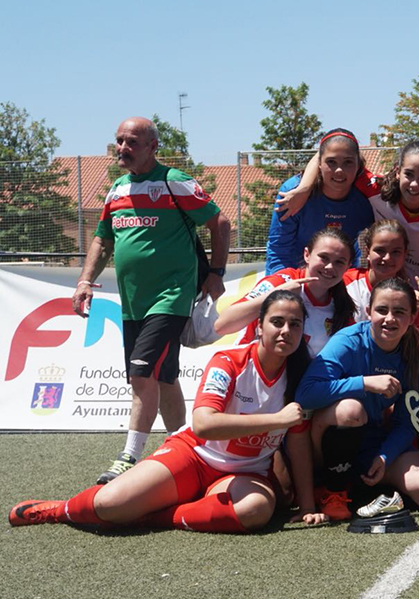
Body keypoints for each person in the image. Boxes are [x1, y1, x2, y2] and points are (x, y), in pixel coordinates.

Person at [11, 291, 319, 532]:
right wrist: (277, 420)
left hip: (247, 471)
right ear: (260, 325)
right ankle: (58, 510)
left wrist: (307, 506)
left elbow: (298, 442)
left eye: (295, 324)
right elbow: (203, 425)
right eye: (277, 321)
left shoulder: (302, 372)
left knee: (255, 511)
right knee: (108, 502)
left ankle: (151, 518)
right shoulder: (228, 360)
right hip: (194, 456)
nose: (286, 331)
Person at [71, 117, 230, 485]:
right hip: (132, 303)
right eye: (119, 141)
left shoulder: (174, 181)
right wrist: (84, 280)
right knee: (165, 376)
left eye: (132, 142)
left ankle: (128, 456)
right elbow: (102, 241)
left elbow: (220, 223)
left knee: (142, 372)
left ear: (152, 147)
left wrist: (216, 273)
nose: (123, 148)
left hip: (170, 297)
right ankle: (187, 449)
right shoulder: (116, 190)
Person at [295, 277, 419, 519]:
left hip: (374, 445)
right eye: (382, 310)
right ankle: (333, 488)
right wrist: (364, 383)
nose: (389, 318)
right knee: (351, 410)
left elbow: (407, 422)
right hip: (330, 440)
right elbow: (306, 394)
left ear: (412, 317)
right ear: (368, 311)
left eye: (399, 312)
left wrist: (385, 456)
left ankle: (367, 480)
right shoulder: (348, 341)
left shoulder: (413, 357)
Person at [276, 141, 419, 314]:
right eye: (409, 174)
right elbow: (330, 150)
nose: (414, 184)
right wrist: (305, 188)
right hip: (384, 295)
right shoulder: (375, 190)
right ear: (397, 172)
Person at [215, 228, 356, 357]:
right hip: (251, 375)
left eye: (339, 262)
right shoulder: (282, 281)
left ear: (348, 267)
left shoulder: (342, 304)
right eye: (323, 257)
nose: (330, 267)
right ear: (307, 255)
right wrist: (275, 296)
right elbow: (222, 325)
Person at [265, 128, 373, 275]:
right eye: (331, 162)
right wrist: (286, 286)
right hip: (296, 276)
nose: (339, 170)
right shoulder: (293, 193)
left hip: (340, 278)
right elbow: (278, 250)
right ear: (319, 164)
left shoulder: (367, 195)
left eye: (348, 162)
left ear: (358, 165)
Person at [343, 220, 419, 350]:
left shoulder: (411, 297)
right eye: (380, 250)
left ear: (405, 254)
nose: (387, 258)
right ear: (367, 252)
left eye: (396, 252)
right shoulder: (344, 282)